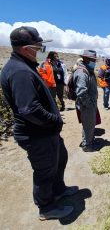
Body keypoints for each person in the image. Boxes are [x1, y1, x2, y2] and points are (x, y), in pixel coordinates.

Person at [0, 26, 78, 220]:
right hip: (36, 134)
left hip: (45, 132)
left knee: (60, 158)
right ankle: (46, 207)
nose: (41, 50)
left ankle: (58, 190)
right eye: (38, 47)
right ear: (26, 48)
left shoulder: (25, 66)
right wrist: (54, 121)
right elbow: (29, 109)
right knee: (45, 171)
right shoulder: (20, 72)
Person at [74, 50, 99, 151]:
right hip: (86, 105)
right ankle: (87, 146)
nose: (94, 62)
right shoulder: (81, 72)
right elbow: (81, 92)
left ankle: (89, 140)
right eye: (93, 60)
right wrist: (89, 104)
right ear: (86, 59)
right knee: (88, 124)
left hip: (90, 103)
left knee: (90, 124)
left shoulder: (88, 70)